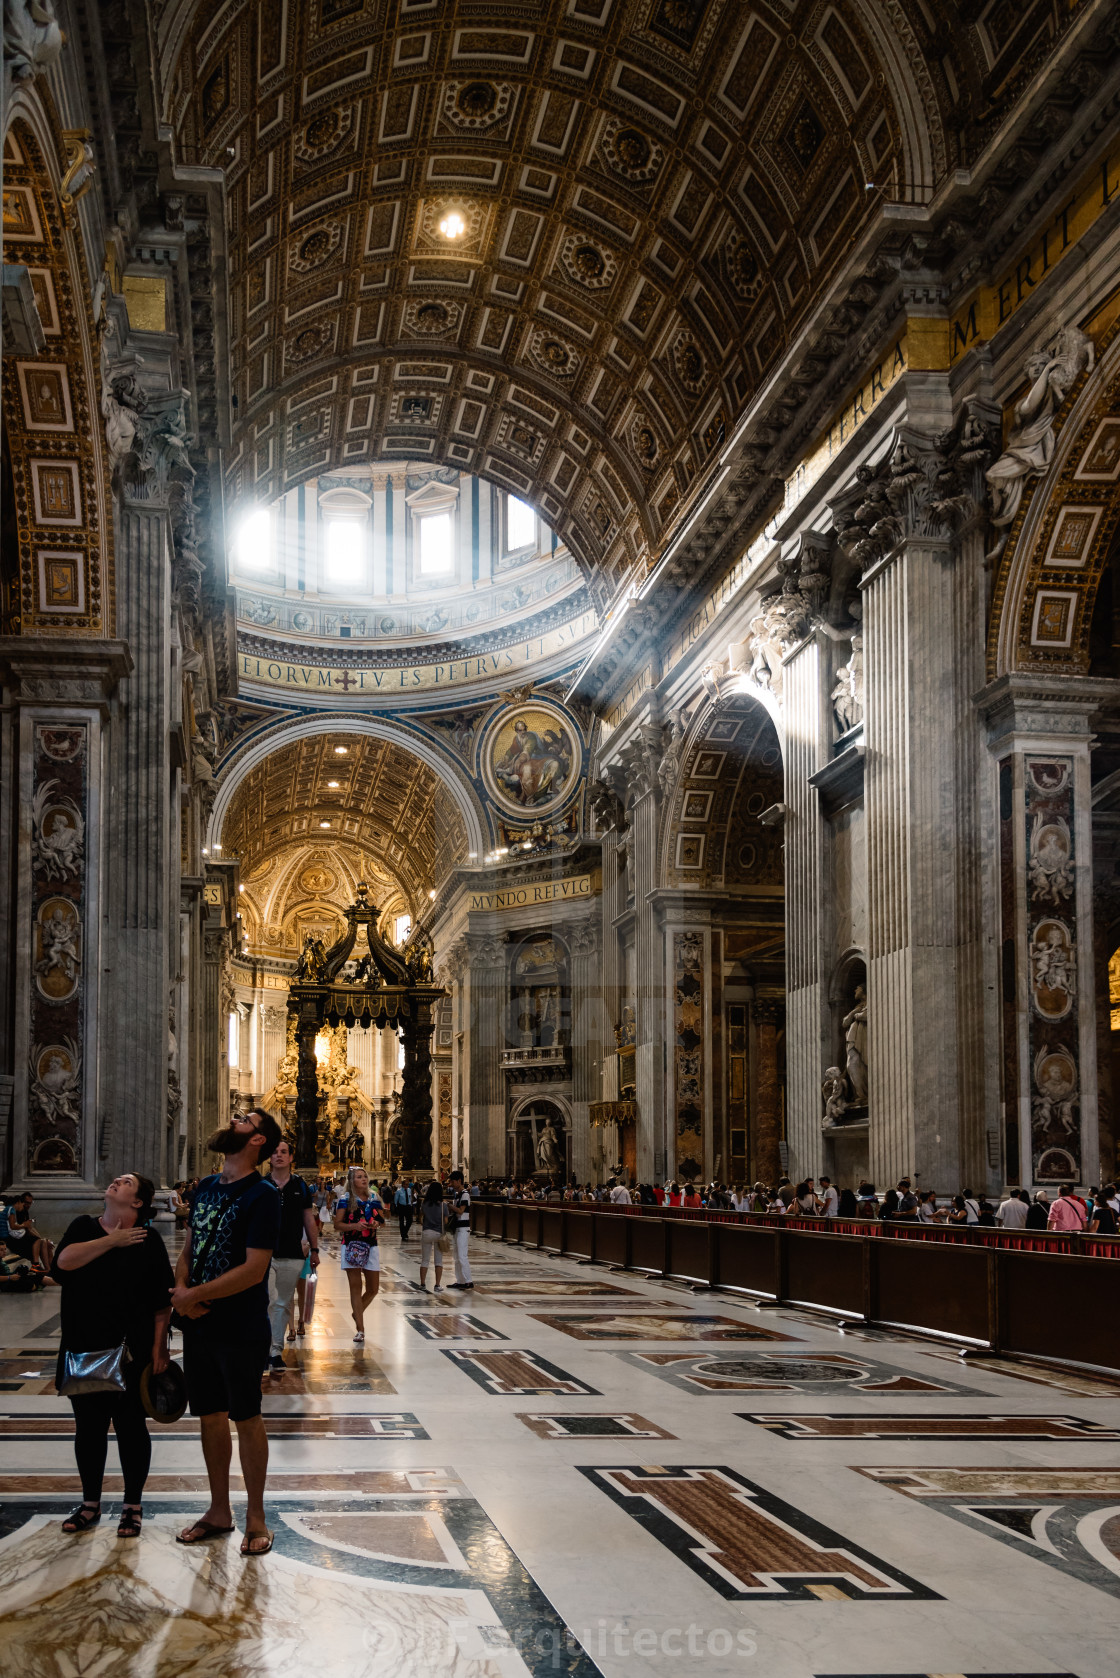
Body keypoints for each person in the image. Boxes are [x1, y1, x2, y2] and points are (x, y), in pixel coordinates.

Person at [172, 1107, 282, 1558]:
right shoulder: (205, 1188)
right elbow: (189, 1245)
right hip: (198, 1323)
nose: (233, 1120)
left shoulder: (263, 1195)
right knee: (210, 1415)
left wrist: (196, 1294)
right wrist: (182, 1290)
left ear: (258, 1140)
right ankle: (219, 1510)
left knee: (245, 1416)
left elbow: (254, 1270)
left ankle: (255, 1514)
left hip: (239, 1324)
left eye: (243, 1119)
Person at [52, 1172, 173, 1539]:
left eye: (126, 1183)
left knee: (131, 1427)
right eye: (117, 1180)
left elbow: (161, 1301)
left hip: (131, 1349)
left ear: (137, 1202)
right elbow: (63, 1264)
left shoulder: (148, 1240)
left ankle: (132, 1505)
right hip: (83, 1344)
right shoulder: (83, 1225)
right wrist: (112, 1240)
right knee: (88, 1429)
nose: (116, 1182)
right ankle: (90, 1503)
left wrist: (159, 1345)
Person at [265, 1139, 319, 1375]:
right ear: (269, 1157)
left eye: (284, 1152)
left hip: (292, 1253)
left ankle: (275, 1351)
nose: (279, 1155)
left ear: (290, 1158)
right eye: (275, 1152)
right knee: (267, 1300)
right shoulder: (260, 1184)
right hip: (263, 1253)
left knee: (283, 1302)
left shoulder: (300, 1185)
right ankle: (264, 1348)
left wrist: (314, 1249)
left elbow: (308, 1219)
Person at [334, 1166, 384, 1340]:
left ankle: (357, 1312)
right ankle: (360, 1329)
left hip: (371, 1244)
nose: (363, 1179)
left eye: (364, 1176)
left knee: (373, 1288)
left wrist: (376, 1224)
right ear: (352, 1180)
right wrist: (354, 1226)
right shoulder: (345, 1199)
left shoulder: (374, 1197)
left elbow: (381, 1219)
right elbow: (337, 1224)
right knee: (355, 1287)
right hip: (352, 1245)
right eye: (359, 1177)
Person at [446, 1168, 473, 1290]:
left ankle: (468, 1280)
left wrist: (449, 1205)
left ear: (459, 1181)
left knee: (462, 1255)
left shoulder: (465, 1195)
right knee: (456, 1256)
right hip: (457, 1227)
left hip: (463, 1228)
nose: (450, 1184)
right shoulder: (457, 1195)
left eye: (452, 1181)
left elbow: (461, 1211)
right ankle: (460, 1280)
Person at [419, 1180, 449, 1292]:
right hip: (438, 1233)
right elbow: (445, 1221)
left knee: (425, 1260)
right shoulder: (443, 1205)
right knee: (438, 1261)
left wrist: (427, 1223)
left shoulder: (424, 1203)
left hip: (427, 1232)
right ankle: (437, 1285)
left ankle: (422, 1284)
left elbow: (420, 1218)